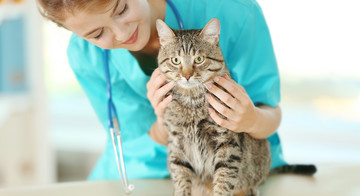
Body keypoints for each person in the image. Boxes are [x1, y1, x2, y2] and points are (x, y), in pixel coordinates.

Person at [37, 0, 288, 180]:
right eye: (97, 33)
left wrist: (251, 119)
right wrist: (162, 126)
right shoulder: (85, 55)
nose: (123, 34)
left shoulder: (234, 11)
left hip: (235, 175)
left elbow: (270, 113)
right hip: (141, 176)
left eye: (122, 8)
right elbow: (130, 144)